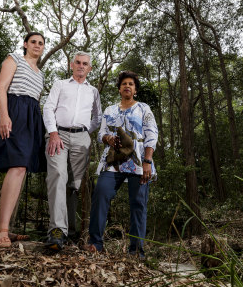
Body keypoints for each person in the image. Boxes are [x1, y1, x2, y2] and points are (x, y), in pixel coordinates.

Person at [84, 71, 158, 258]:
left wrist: (147, 161)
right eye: (124, 83)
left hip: (139, 161)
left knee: (138, 203)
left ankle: (136, 251)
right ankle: (95, 243)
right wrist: (108, 138)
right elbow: (101, 134)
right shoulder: (110, 110)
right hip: (113, 160)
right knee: (101, 192)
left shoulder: (143, 108)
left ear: (135, 89)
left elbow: (151, 135)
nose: (127, 86)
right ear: (119, 89)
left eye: (131, 84)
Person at [0, 32, 47, 248]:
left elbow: (36, 100)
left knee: (21, 169)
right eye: (33, 42)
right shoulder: (14, 58)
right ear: (25, 44)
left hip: (32, 116)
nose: (37, 45)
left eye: (41, 43)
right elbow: (1, 87)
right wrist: (4, 115)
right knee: (17, 167)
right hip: (14, 111)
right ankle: (2, 230)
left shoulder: (40, 74)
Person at [42, 51, 102, 250]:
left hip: (81, 139)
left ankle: (72, 231)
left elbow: (97, 118)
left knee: (75, 185)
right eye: (78, 62)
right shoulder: (60, 85)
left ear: (90, 68)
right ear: (71, 64)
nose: (81, 66)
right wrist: (53, 132)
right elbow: (48, 107)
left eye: (85, 64)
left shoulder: (93, 91)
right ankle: (56, 231)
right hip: (57, 135)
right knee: (58, 175)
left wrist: (85, 132)